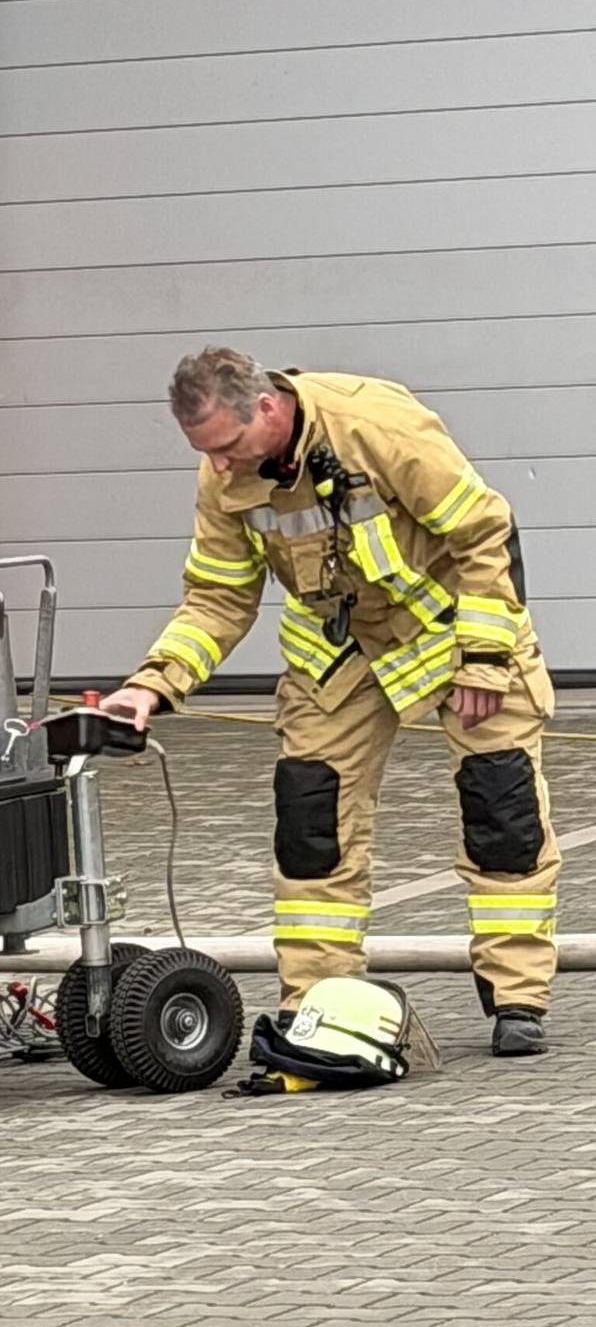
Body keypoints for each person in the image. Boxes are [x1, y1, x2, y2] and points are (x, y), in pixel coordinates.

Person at [98, 349, 558, 1058]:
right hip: (340, 651)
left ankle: (517, 997)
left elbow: (483, 535)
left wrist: (488, 661)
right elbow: (218, 597)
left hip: (452, 633)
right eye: (205, 453)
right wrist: (152, 683)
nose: (219, 467)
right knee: (313, 827)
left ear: (269, 410)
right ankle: (320, 1002)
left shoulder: (376, 425)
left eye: (226, 447)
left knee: (502, 811)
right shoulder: (223, 477)